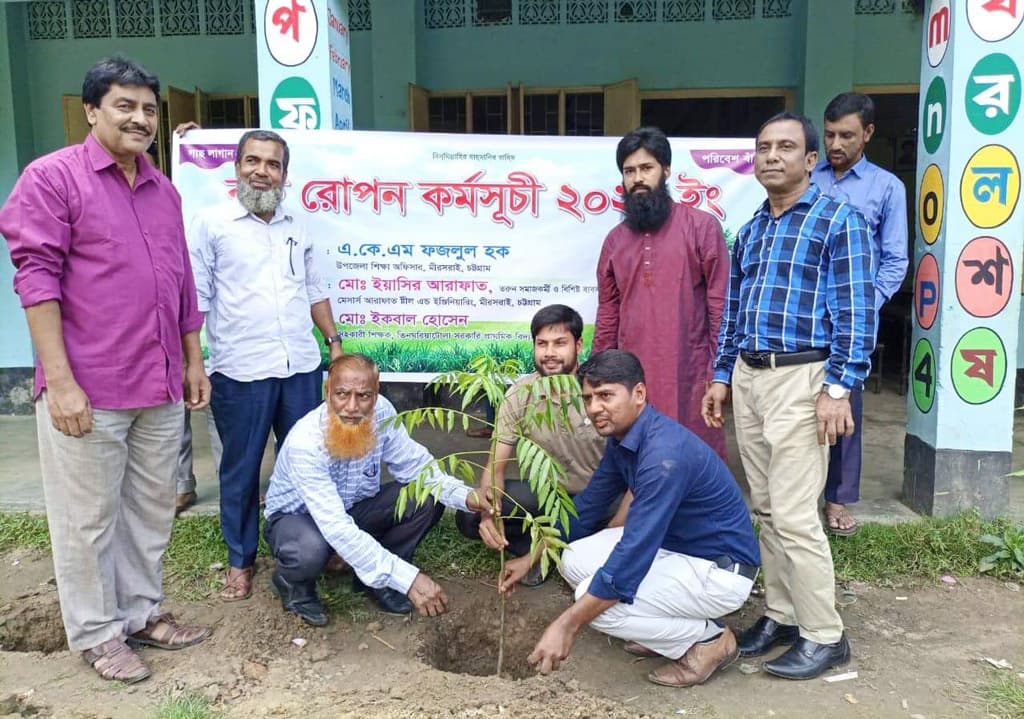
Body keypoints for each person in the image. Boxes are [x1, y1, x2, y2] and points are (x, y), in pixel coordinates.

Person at [0, 55, 211, 684]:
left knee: (149, 509)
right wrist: (59, 383)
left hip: (159, 381)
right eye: (125, 105)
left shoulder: (164, 190)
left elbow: (181, 285)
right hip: (88, 386)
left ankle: (141, 613)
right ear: (92, 110)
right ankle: (96, 633)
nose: (140, 119)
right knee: (87, 518)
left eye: (149, 109)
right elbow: (36, 281)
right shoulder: (52, 180)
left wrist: (194, 361)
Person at [702, 112, 875, 680]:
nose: (772, 156)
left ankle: (825, 635)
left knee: (798, 514)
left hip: (804, 381)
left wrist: (839, 388)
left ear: (809, 160)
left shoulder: (837, 221)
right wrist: (723, 375)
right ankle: (781, 614)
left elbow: (857, 311)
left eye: (786, 147)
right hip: (752, 378)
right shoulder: (752, 229)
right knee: (768, 508)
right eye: (763, 147)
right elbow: (733, 313)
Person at [505, 350, 759, 688]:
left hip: (720, 573)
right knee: (572, 557)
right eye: (589, 398)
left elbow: (631, 559)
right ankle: (666, 631)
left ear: (639, 394)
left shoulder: (663, 458)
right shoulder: (624, 438)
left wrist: (566, 625)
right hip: (678, 552)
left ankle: (709, 640)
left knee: (595, 602)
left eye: (606, 395)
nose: (595, 407)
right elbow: (587, 509)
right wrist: (532, 556)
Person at [188, 129, 343, 601]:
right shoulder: (211, 224)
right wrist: (194, 363)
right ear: (236, 168)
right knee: (241, 468)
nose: (262, 170)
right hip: (240, 371)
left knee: (305, 462)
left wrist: (334, 345)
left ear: (284, 174)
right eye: (253, 161)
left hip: (299, 365)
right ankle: (241, 560)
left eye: (272, 164)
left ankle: (304, 548)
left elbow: (315, 291)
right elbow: (195, 300)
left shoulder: (298, 225)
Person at [262, 353, 491, 623]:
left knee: (425, 496)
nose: (351, 407)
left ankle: (377, 580)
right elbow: (334, 525)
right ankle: (292, 585)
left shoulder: (382, 411)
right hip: (301, 520)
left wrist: (468, 497)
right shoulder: (306, 441)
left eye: (363, 396)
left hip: (353, 511)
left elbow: (418, 468)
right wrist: (410, 579)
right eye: (342, 394)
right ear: (327, 393)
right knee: (311, 547)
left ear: (376, 392)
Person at [455, 304, 628, 586]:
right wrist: (490, 514)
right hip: (549, 497)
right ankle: (541, 550)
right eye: (542, 344)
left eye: (560, 343)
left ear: (579, 345)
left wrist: (616, 525)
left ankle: (557, 549)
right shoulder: (521, 393)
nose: (549, 353)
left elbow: (639, 470)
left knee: (618, 526)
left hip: (602, 501)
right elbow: (495, 466)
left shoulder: (600, 392)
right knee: (470, 515)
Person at [592, 127, 729, 460]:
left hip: (689, 369)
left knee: (692, 456)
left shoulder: (701, 227)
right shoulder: (614, 240)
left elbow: (721, 306)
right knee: (636, 457)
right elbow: (608, 313)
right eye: (629, 171)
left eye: (647, 168)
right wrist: (596, 374)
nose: (638, 178)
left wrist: (719, 373)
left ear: (666, 171)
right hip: (630, 372)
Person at [811, 92, 909, 536]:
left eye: (846, 135)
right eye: (830, 134)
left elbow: (895, 259)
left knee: (844, 405)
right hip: (805, 315)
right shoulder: (808, 179)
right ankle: (797, 493)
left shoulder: (887, 187)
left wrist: (864, 304)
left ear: (867, 134)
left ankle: (837, 499)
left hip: (851, 317)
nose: (836, 143)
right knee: (798, 403)